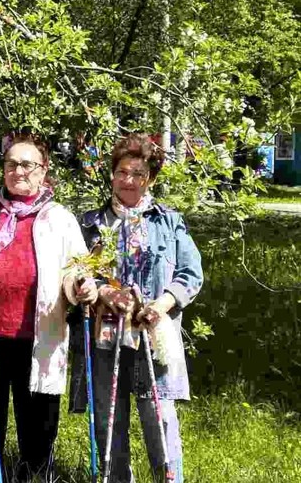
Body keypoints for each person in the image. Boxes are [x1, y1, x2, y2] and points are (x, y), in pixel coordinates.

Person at [0, 133, 96, 482]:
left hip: (40, 336)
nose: (18, 171)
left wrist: (82, 286)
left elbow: (78, 267)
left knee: (39, 424)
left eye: (27, 165)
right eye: (11, 163)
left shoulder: (59, 218)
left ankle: (34, 475)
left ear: (44, 171)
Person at [69, 133, 203, 483]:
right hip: (107, 332)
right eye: (123, 172)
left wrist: (162, 304)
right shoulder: (91, 223)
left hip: (152, 331)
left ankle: (169, 479)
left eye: (139, 174)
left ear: (151, 179)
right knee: (109, 418)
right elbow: (76, 272)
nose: (129, 180)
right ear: (112, 174)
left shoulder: (169, 221)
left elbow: (191, 273)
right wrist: (100, 292)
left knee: (158, 415)